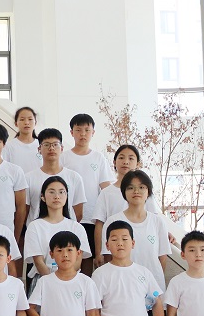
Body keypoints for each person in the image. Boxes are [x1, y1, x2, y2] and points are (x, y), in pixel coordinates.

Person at [60, 114, 115, 275]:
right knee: (69, 256)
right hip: (70, 217)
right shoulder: (64, 157)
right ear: (71, 132)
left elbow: (106, 187)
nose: (83, 134)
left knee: (88, 259)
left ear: (93, 132)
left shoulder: (98, 158)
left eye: (87, 130)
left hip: (92, 218)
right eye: (78, 130)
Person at [102, 170, 171, 292]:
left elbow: (162, 258)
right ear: (124, 192)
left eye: (141, 187)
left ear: (148, 192)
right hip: (123, 287)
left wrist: (153, 281)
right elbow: (108, 256)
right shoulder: (113, 221)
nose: (136, 191)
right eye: (130, 188)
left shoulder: (157, 222)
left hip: (153, 287)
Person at [93, 144, 162, 264]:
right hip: (116, 249)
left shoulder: (145, 193)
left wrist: (166, 233)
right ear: (114, 162)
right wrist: (98, 253)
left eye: (131, 158)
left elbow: (154, 220)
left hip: (141, 248)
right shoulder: (106, 193)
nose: (126, 162)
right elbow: (99, 224)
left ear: (138, 164)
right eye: (121, 158)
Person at [23, 176, 91, 278]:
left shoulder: (76, 227)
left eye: (61, 192)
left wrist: (64, 279)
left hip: (71, 279)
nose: (57, 196)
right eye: (51, 192)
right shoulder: (34, 226)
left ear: (67, 196)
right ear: (43, 197)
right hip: (44, 279)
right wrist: (53, 281)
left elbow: (78, 260)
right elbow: (38, 261)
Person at [25, 128, 86, 224]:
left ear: (62, 148)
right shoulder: (28, 178)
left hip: (67, 229)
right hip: (38, 229)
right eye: (46, 145)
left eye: (55, 144)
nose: (51, 148)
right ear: (39, 149)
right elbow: (25, 210)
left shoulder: (74, 177)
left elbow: (78, 213)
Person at [2, 106, 42, 174]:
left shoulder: (42, 145)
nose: (26, 122)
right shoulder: (8, 146)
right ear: (16, 123)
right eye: (22, 119)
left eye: (30, 119)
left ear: (35, 122)